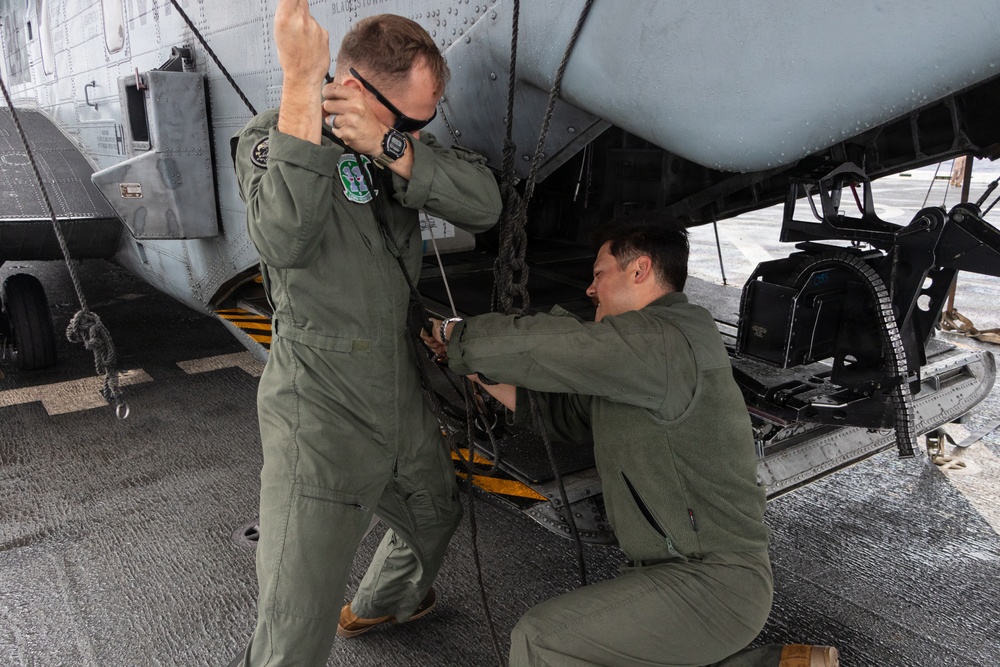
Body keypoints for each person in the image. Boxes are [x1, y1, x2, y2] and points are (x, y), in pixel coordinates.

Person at [424, 214, 839, 667]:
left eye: (599, 274)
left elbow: (559, 346)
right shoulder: (644, 359)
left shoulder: (665, 340)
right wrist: (473, 368)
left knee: (544, 640)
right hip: (681, 574)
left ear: (639, 270)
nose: (590, 289)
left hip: (712, 582)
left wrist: (460, 334)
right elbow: (560, 415)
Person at [230, 1, 502, 665]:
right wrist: (300, 85)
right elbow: (283, 236)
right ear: (352, 89)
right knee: (294, 623)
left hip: (397, 388)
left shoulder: (390, 141)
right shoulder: (272, 139)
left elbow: (485, 202)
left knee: (436, 512)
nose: (417, 130)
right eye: (409, 117)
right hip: (320, 407)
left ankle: (385, 602)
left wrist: (393, 143)